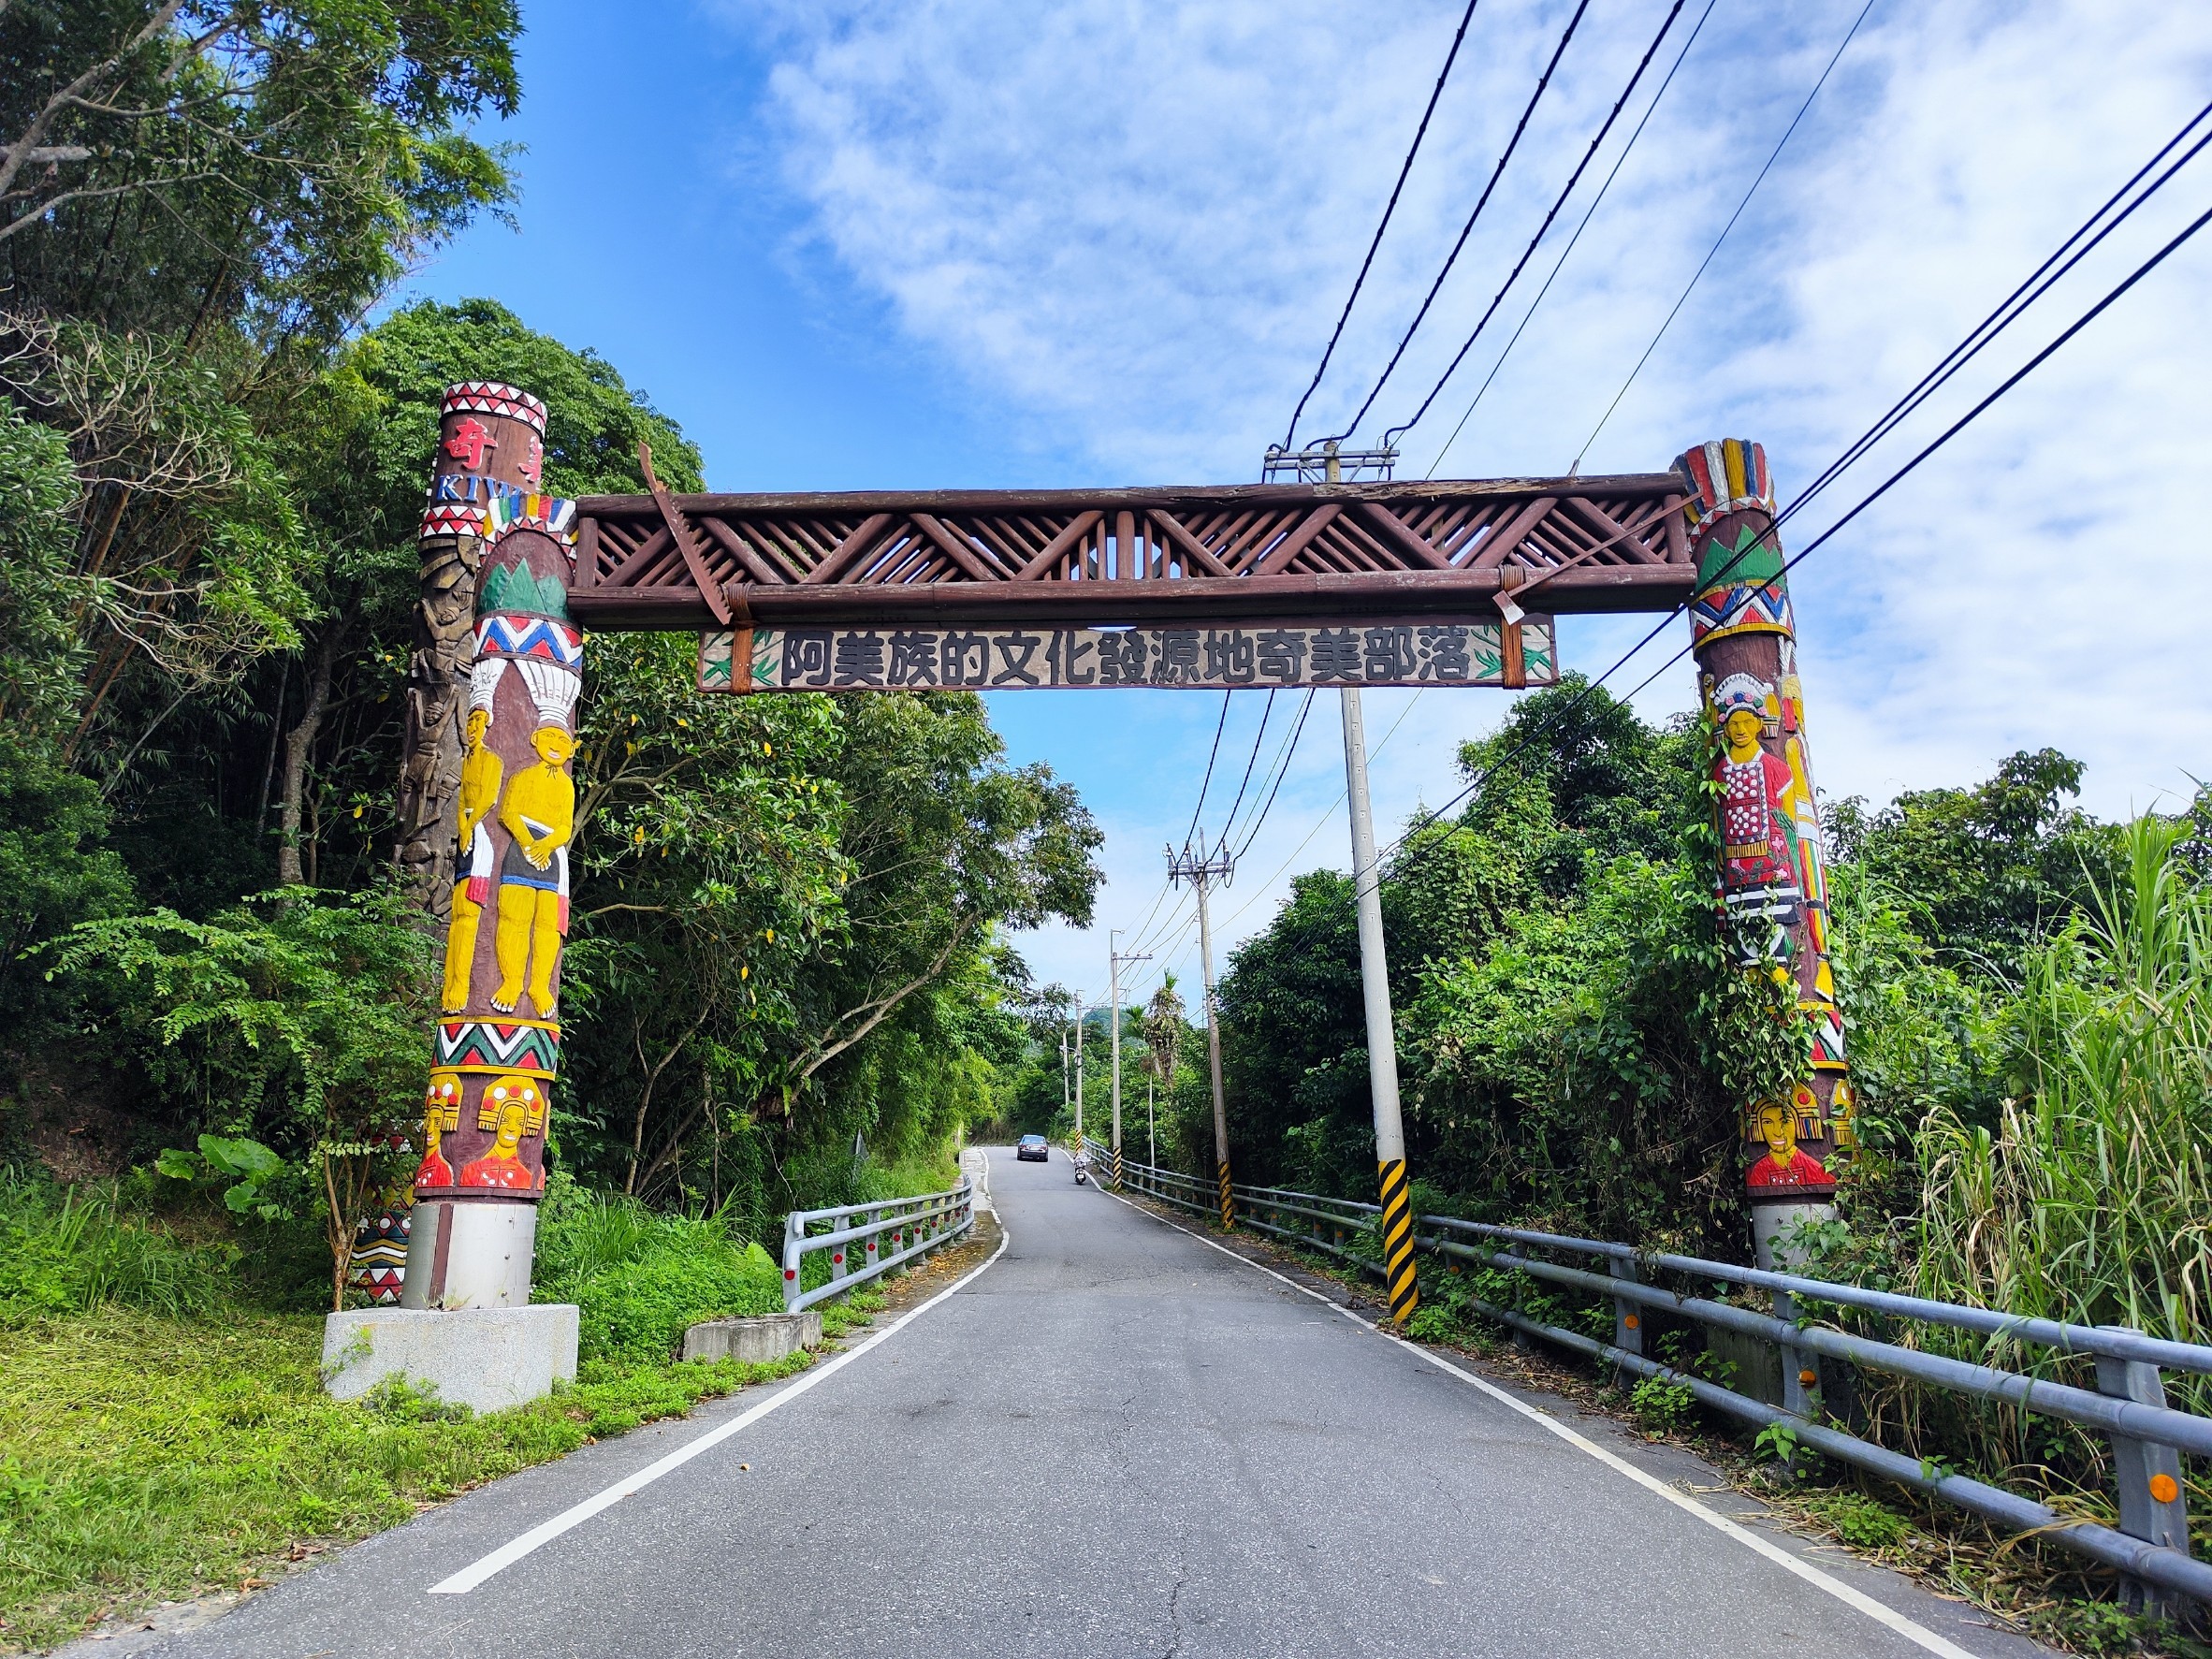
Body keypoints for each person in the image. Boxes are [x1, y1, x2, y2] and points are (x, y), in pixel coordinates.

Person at [491, 723, 575, 1016]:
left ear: (572, 749)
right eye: (549, 736)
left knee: (547, 926)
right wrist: (529, 844)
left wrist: (546, 846)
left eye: (563, 739)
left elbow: (565, 826)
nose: (555, 743)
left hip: (551, 855)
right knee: (514, 918)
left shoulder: (566, 785)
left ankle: (539, 985)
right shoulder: (523, 775)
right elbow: (508, 813)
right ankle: (511, 981)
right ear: (535, 739)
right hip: (521, 848)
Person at [1746, 1099, 1833, 1195]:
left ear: (1798, 1125)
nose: (1777, 1132)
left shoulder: (1812, 1167)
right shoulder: (1759, 1170)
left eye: (1785, 1121)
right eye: (1768, 1122)